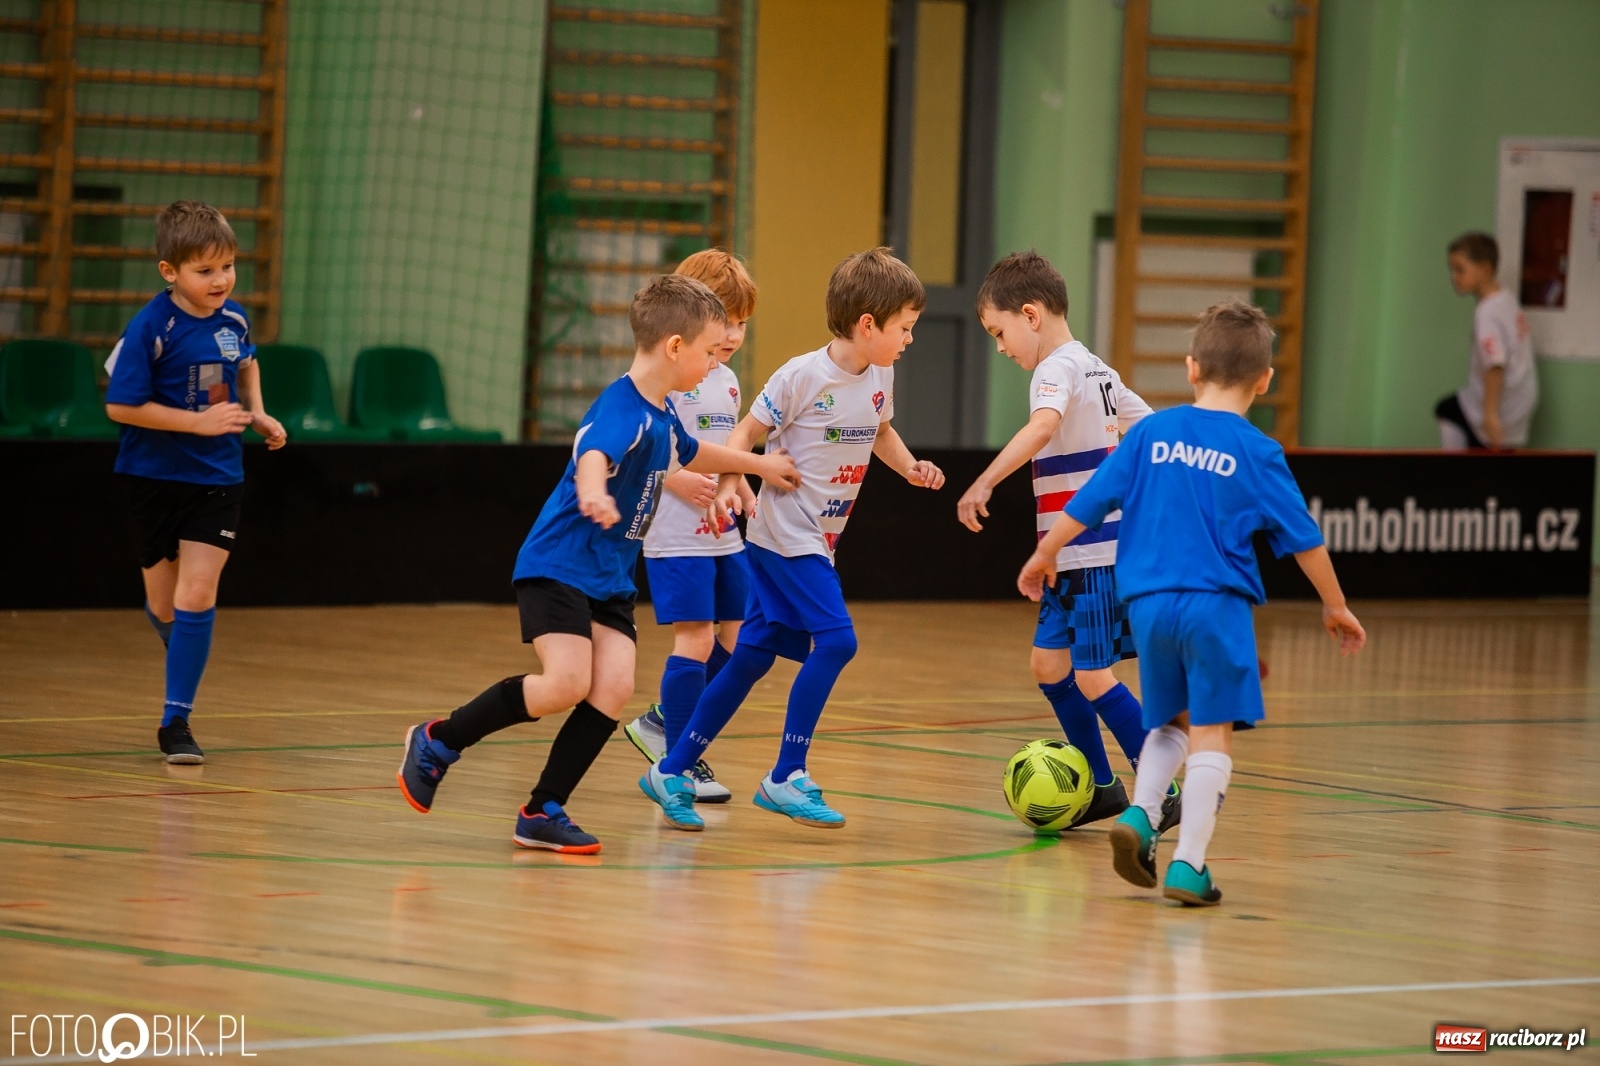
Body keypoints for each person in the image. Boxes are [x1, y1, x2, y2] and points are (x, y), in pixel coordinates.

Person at [396, 274, 801, 854]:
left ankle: (542, 810)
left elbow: (691, 452)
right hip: (559, 566)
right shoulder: (623, 408)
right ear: (675, 347)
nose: (716, 363)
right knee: (565, 683)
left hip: (608, 579)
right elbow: (592, 453)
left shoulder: (662, 413)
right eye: (710, 352)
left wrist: (758, 466)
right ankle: (440, 739)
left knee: (612, 687)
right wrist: (592, 491)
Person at [1019, 300, 1365, 906]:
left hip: (1148, 603)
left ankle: (1140, 813)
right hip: (1216, 606)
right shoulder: (1258, 451)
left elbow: (1091, 499)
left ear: (1191, 368)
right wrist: (1335, 606)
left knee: (1169, 724)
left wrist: (1045, 552)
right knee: (1212, 732)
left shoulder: (1153, 433)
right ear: (1265, 380)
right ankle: (1189, 865)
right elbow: (1305, 540)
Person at [638, 247, 945, 831]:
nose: (910, 339)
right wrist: (733, 481)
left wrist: (909, 467)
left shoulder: (881, 375)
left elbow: (881, 430)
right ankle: (787, 773)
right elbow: (744, 435)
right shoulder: (801, 376)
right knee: (837, 642)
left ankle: (671, 769)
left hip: (819, 539)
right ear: (867, 324)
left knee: (751, 655)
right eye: (905, 328)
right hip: (786, 535)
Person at [956, 251, 1176, 830]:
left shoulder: (1054, 370)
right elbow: (1150, 429)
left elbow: (1043, 425)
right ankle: (1102, 788)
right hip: (1071, 554)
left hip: (1092, 552)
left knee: (1093, 676)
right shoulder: (1097, 369)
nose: (1001, 348)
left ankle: (1162, 790)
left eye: (999, 332)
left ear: (1030, 315)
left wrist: (985, 480)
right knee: (1048, 666)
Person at [104, 200, 287, 764]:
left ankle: (175, 721)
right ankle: (181, 640)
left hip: (217, 476)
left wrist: (256, 412)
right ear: (170, 271)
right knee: (165, 606)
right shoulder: (150, 326)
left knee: (197, 593)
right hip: (153, 478)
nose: (220, 280)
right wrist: (196, 422)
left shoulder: (234, 320)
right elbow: (120, 406)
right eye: (204, 270)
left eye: (227, 266)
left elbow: (246, 364)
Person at [623, 250, 761, 804]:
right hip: (674, 531)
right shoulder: (667, 377)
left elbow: (726, 447)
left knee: (742, 636)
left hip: (722, 530)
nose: (732, 335)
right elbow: (644, 443)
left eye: (741, 323)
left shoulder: (725, 381)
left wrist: (737, 481)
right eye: (724, 320)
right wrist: (676, 479)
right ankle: (680, 761)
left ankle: (663, 720)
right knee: (697, 637)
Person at [1435, 232, 1537, 450]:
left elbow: (1495, 364)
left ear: (1485, 270)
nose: (1454, 277)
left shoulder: (1486, 313)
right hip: (1523, 397)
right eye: (1452, 269)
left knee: (1446, 409)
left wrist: (1490, 414)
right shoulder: (1506, 298)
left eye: (1460, 270)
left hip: (1505, 404)